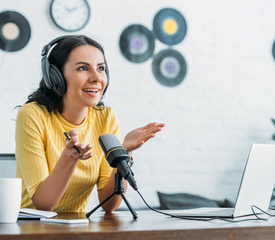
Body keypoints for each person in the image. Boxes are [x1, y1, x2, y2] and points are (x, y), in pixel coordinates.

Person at [15, 35, 164, 213]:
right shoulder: (32, 115)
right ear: (56, 77)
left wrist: (125, 151)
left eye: (101, 68)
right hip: (31, 228)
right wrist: (69, 159)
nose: (96, 77)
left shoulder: (105, 117)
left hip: (77, 228)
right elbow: (43, 205)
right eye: (83, 68)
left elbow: (109, 205)